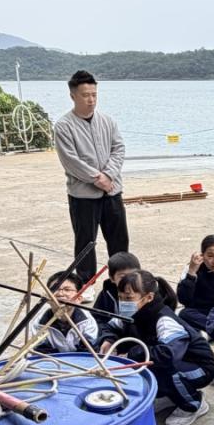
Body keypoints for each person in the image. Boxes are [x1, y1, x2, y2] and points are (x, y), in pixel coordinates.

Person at [103, 270, 214, 425]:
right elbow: (110, 327)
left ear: (149, 297)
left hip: (200, 367)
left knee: (167, 370)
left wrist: (131, 355)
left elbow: (168, 354)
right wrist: (108, 340)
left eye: (128, 298)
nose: (123, 302)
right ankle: (169, 396)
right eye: (120, 297)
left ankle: (194, 404)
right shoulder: (131, 312)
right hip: (174, 361)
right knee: (146, 367)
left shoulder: (164, 320)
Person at [53, 69, 129, 283]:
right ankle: (86, 284)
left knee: (119, 239)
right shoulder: (63, 126)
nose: (91, 100)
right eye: (85, 95)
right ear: (73, 96)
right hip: (83, 196)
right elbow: (71, 161)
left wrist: (109, 175)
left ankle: (122, 280)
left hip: (112, 190)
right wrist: (98, 178)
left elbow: (118, 149)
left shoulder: (108, 121)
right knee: (85, 243)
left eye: (94, 94)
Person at [31, 271, 100, 353]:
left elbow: (88, 353)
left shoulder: (87, 321)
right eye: (55, 288)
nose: (60, 294)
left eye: (67, 290)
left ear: (79, 299)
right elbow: (42, 353)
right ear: (47, 298)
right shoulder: (40, 323)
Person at [94, 251, 142, 317]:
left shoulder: (147, 291)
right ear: (112, 278)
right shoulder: (107, 292)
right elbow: (97, 317)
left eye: (132, 275)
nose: (129, 280)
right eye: (123, 277)